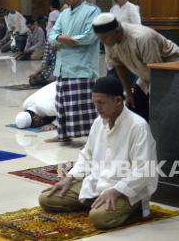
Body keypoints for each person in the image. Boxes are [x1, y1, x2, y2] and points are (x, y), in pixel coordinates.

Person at [38, 77, 158, 230]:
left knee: (98, 218)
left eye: (101, 103)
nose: (97, 107)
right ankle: (96, 202)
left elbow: (144, 170)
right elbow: (86, 155)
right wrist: (70, 178)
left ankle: (133, 208)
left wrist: (116, 191)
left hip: (126, 190)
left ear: (117, 100)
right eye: (95, 103)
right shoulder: (98, 122)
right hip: (98, 183)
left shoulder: (138, 126)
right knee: (46, 199)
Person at [92, 12, 179, 121]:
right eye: (100, 38)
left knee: (164, 112)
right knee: (134, 107)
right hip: (148, 75)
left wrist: (156, 100)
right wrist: (129, 93)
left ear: (116, 31)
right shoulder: (109, 41)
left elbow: (157, 72)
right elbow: (119, 66)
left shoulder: (142, 38)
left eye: (104, 38)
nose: (102, 42)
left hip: (174, 73)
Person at [46, 0, 101, 142]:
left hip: (82, 67)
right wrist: (64, 39)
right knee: (62, 104)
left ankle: (91, 140)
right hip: (63, 67)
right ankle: (63, 134)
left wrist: (61, 39)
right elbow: (51, 35)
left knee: (82, 106)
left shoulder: (92, 11)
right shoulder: (63, 14)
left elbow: (89, 37)